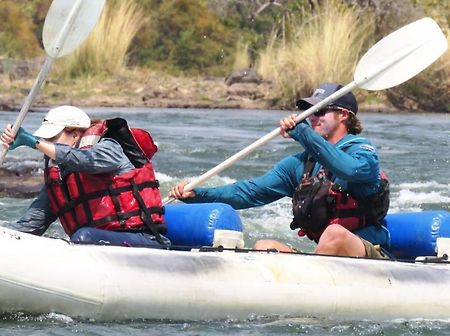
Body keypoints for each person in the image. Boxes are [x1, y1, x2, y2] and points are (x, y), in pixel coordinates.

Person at [169, 82, 390, 258]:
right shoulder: (301, 166)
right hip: (324, 260)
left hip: (368, 257)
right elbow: (248, 193)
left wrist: (304, 134)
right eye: (308, 111)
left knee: (335, 234)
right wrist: (199, 194)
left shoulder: (363, 152)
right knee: (264, 246)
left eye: (320, 110)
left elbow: (348, 170)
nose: (312, 117)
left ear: (344, 115)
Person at [0, 105, 170, 248]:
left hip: (143, 240)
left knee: (83, 235)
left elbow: (85, 160)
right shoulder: (59, 175)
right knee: (81, 236)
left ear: (75, 134)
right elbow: (31, 225)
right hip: (94, 243)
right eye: (45, 138)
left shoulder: (109, 148)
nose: (46, 143)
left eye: (52, 137)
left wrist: (33, 142)